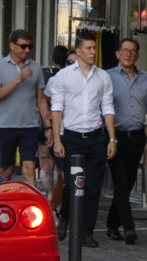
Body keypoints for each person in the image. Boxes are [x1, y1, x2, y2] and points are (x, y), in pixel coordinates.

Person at [51, 34, 117, 248]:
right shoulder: (64, 76)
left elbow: (107, 108)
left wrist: (112, 139)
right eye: (88, 48)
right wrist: (58, 140)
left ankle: (86, 232)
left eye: (94, 48)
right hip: (71, 137)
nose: (93, 51)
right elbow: (57, 109)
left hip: (96, 137)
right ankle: (65, 219)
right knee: (71, 186)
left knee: (93, 187)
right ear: (78, 51)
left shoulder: (103, 77)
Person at [0, 29, 53, 185]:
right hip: (6, 125)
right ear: (12, 45)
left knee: (29, 167)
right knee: (7, 170)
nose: (27, 50)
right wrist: (18, 80)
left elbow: (41, 99)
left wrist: (48, 128)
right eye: (23, 46)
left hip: (29, 126)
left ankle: (31, 206)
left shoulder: (36, 67)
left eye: (29, 46)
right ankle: (2, 202)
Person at [105, 38, 147, 245]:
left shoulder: (146, 79)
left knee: (127, 184)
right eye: (125, 50)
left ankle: (112, 224)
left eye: (133, 51)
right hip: (115, 137)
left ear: (138, 55)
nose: (129, 54)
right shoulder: (107, 77)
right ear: (118, 54)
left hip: (137, 137)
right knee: (121, 182)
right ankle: (129, 229)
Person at [43, 47, 77, 216]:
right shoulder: (56, 80)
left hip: (80, 134)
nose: (73, 65)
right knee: (63, 175)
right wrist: (48, 123)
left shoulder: (91, 81)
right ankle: (55, 209)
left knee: (68, 177)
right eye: (69, 62)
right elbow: (43, 100)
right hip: (60, 134)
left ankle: (60, 208)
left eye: (76, 62)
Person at [38, 45, 68, 200]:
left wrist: (47, 118)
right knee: (62, 169)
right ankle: (57, 198)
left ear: (52, 59)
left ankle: (51, 195)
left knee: (46, 165)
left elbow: (42, 100)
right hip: (63, 126)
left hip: (48, 124)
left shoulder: (47, 76)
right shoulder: (66, 76)